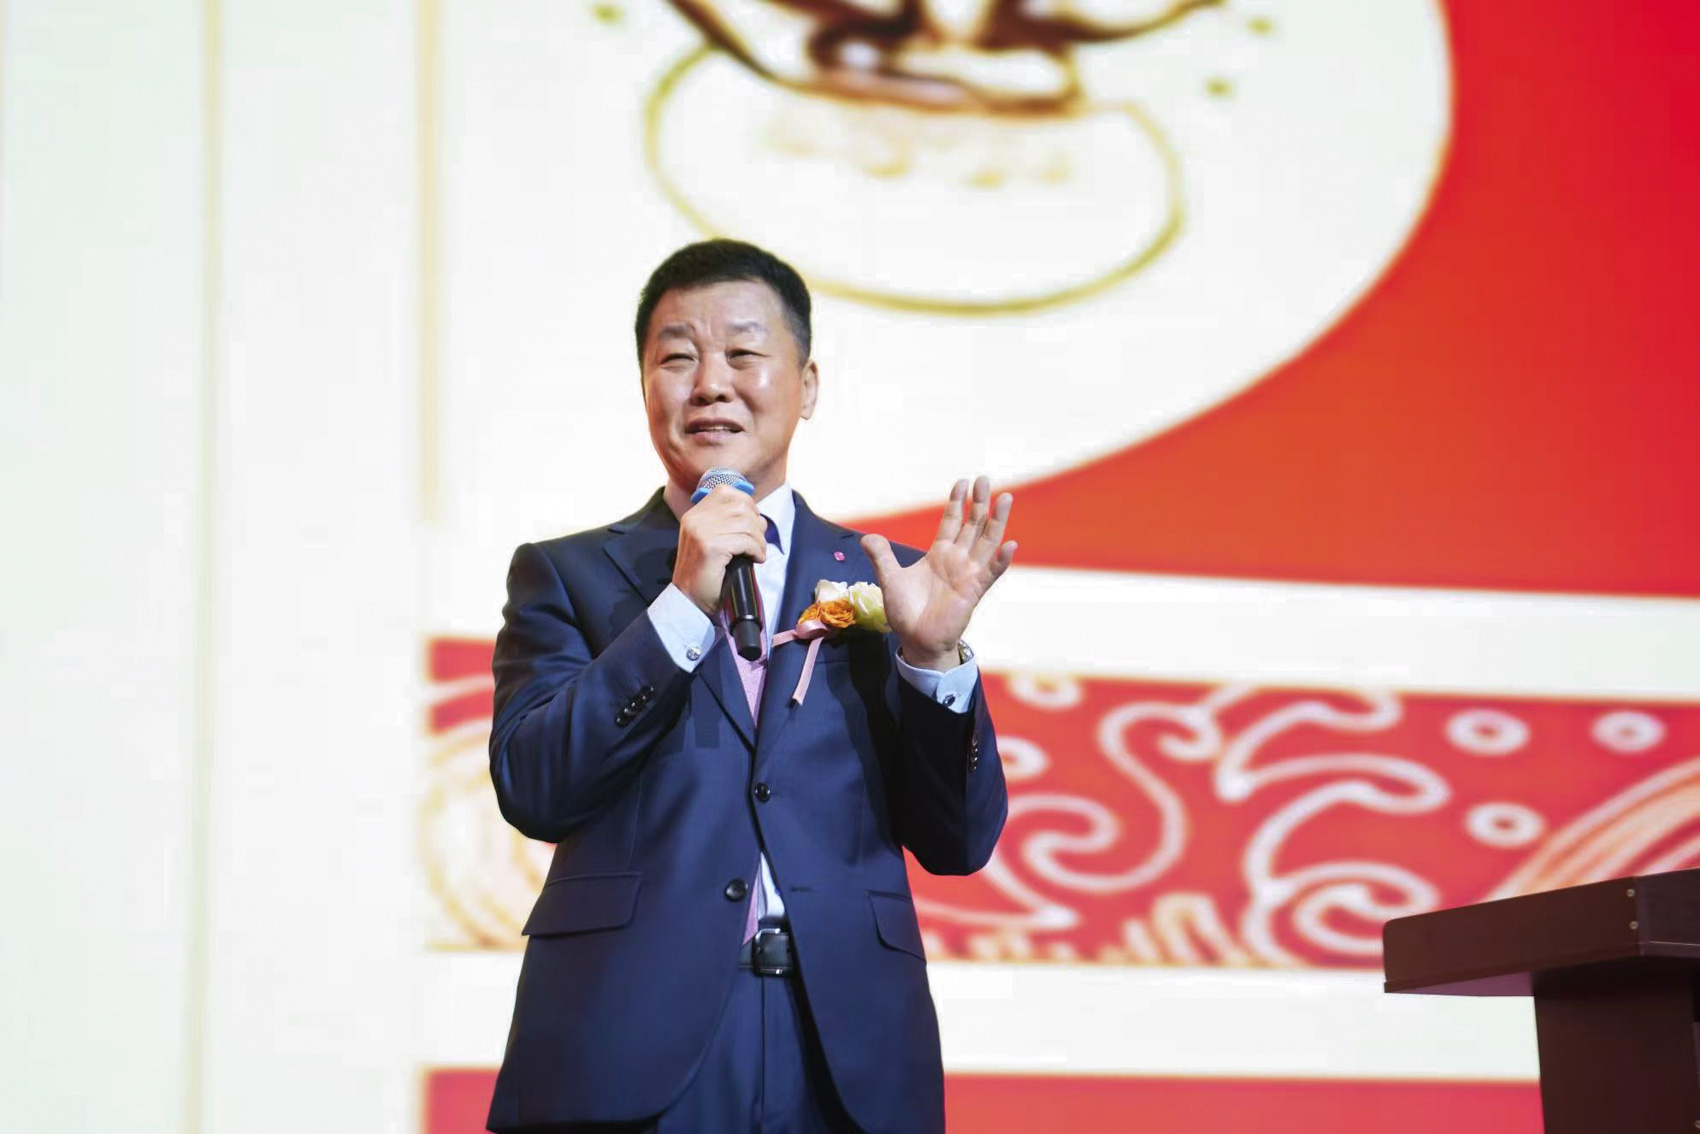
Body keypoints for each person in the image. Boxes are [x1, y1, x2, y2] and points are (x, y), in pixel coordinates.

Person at [485, 239, 1015, 1133]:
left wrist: (932, 660)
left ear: (806, 385)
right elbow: (535, 787)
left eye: (742, 352)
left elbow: (958, 841)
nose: (709, 384)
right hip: (627, 1040)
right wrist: (679, 605)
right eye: (677, 357)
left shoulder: (888, 581)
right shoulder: (566, 575)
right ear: (644, 385)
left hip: (844, 1049)